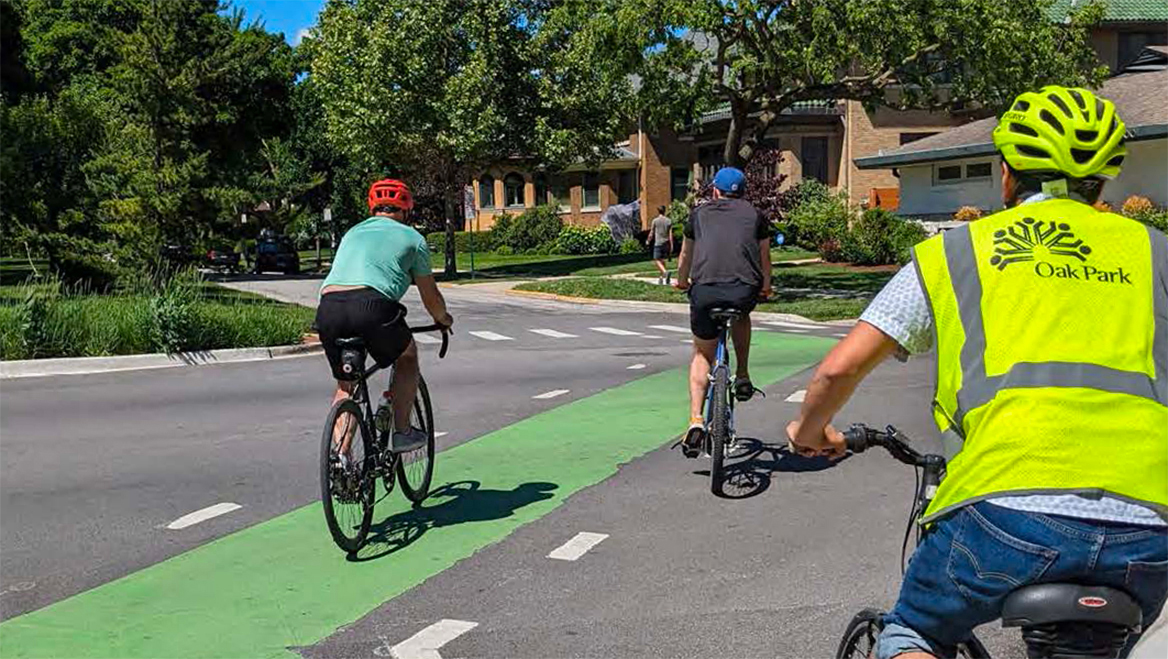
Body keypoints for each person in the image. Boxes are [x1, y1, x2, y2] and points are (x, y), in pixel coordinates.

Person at [786, 86, 1167, 658]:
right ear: (1104, 182)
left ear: (1007, 173)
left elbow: (838, 371)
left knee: (912, 631)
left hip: (1009, 509)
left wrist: (809, 431)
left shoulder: (957, 252)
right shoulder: (1157, 252)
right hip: (1149, 526)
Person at [316, 179, 454, 454]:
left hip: (329, 307)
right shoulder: (413, 239)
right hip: (372, 306)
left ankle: (341, 459)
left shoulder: (352, 232)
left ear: (373, 208)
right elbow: (430, 297)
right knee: (407, 356)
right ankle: (402, 431)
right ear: (406, 209)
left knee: (346, 384)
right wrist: (443, 319)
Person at [673, 167, 773, 457]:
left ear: (715, 190)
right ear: (742, 193)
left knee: (702, 354)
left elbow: (686, 254)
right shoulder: (756, 215)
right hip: (743, 289)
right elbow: (764, 256)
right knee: (742, 314)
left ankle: (695, 419)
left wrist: (682, 281)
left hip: (705, 290)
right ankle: (742, 374)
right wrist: (766, 287)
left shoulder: (698, 215)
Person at [646, 205, 674, 285]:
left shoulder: (655, 221)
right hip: (666, 243)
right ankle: (661, 278)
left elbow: (651, 233)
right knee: (662, 260)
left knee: (656, 259)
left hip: (658, 243)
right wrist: (671, 245)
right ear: (665, 211)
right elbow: (670, 235)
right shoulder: (669, 221)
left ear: (658, 211)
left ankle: (665, 273)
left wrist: (648, 240)